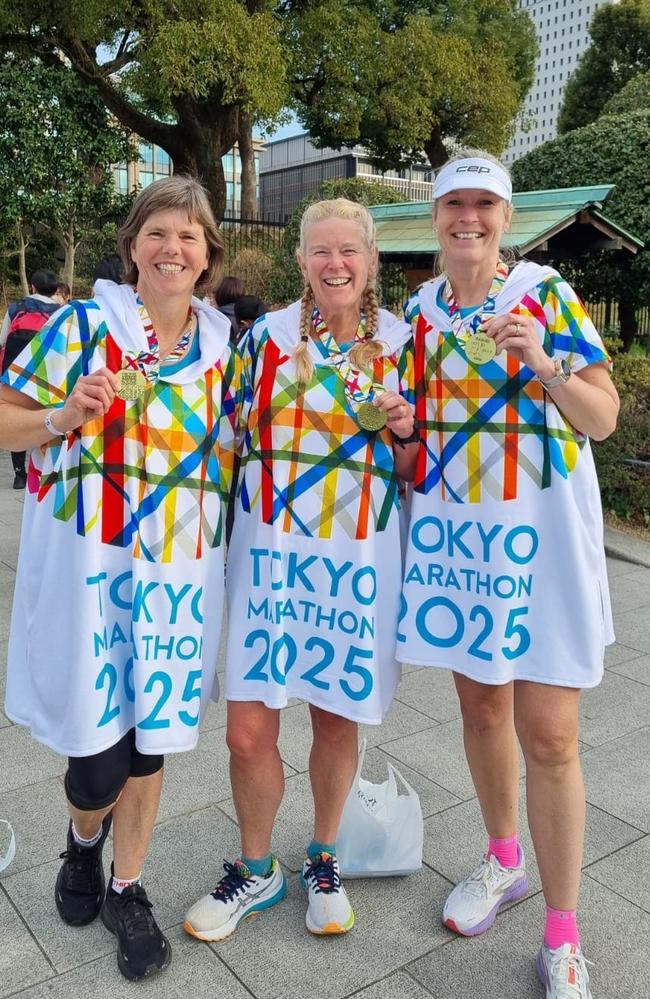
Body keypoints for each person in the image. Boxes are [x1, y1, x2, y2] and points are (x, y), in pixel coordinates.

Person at [0, 176, 240, 981]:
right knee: (97, 759)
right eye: (158, 232)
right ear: (133, 245)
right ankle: (82, 840)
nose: (174, 248)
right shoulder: (79, 326)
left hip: (179, 572)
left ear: (208, 256)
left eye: (190, 236)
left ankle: (127, 888)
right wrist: (61, 417)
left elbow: (252, 443)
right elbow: (6, 414)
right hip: (91, 572)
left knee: (151, 742)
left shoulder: (222, 349)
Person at [396, 152, 619, 999]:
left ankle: (563, 932)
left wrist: (546, 364)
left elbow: (601, 418)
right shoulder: (419, 311)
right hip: (459, 545)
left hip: (543, 544)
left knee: (552, 734)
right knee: (481, 706)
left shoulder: (545, 294)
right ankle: (501, 858)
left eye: (484, 204)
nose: (468, 218)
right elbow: (414, 440)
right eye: (455, 202)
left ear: (505, 215)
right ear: (436, 215)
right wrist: (403, 428)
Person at [184, 198, 418, 942]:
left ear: (372, 261)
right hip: (270, 559)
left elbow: (419, 467)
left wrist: (409, 429)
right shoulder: (264, 339)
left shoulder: (403, 345)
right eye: (320, 251)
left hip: (354, 563)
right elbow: (223, 438)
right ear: (301, 262)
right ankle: (257, 869)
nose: (335, 265)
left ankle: (323, 855)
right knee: (247, 731)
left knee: (334, 713)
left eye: (349, 250)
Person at [0, 269, 61, 489]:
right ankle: (46, 468)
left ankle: (19, 474)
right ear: (56, 290)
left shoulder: (16, 308)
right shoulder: (63, 312)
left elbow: (3, 340)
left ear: (33, 287)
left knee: (18, 419)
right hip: (49, 378)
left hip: (14, 377)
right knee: (46, 418)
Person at [211, 275, 244, 341]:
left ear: (220, 295)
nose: (212, 298)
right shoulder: (249, 318)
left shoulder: (217, 319)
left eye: (214, 293)